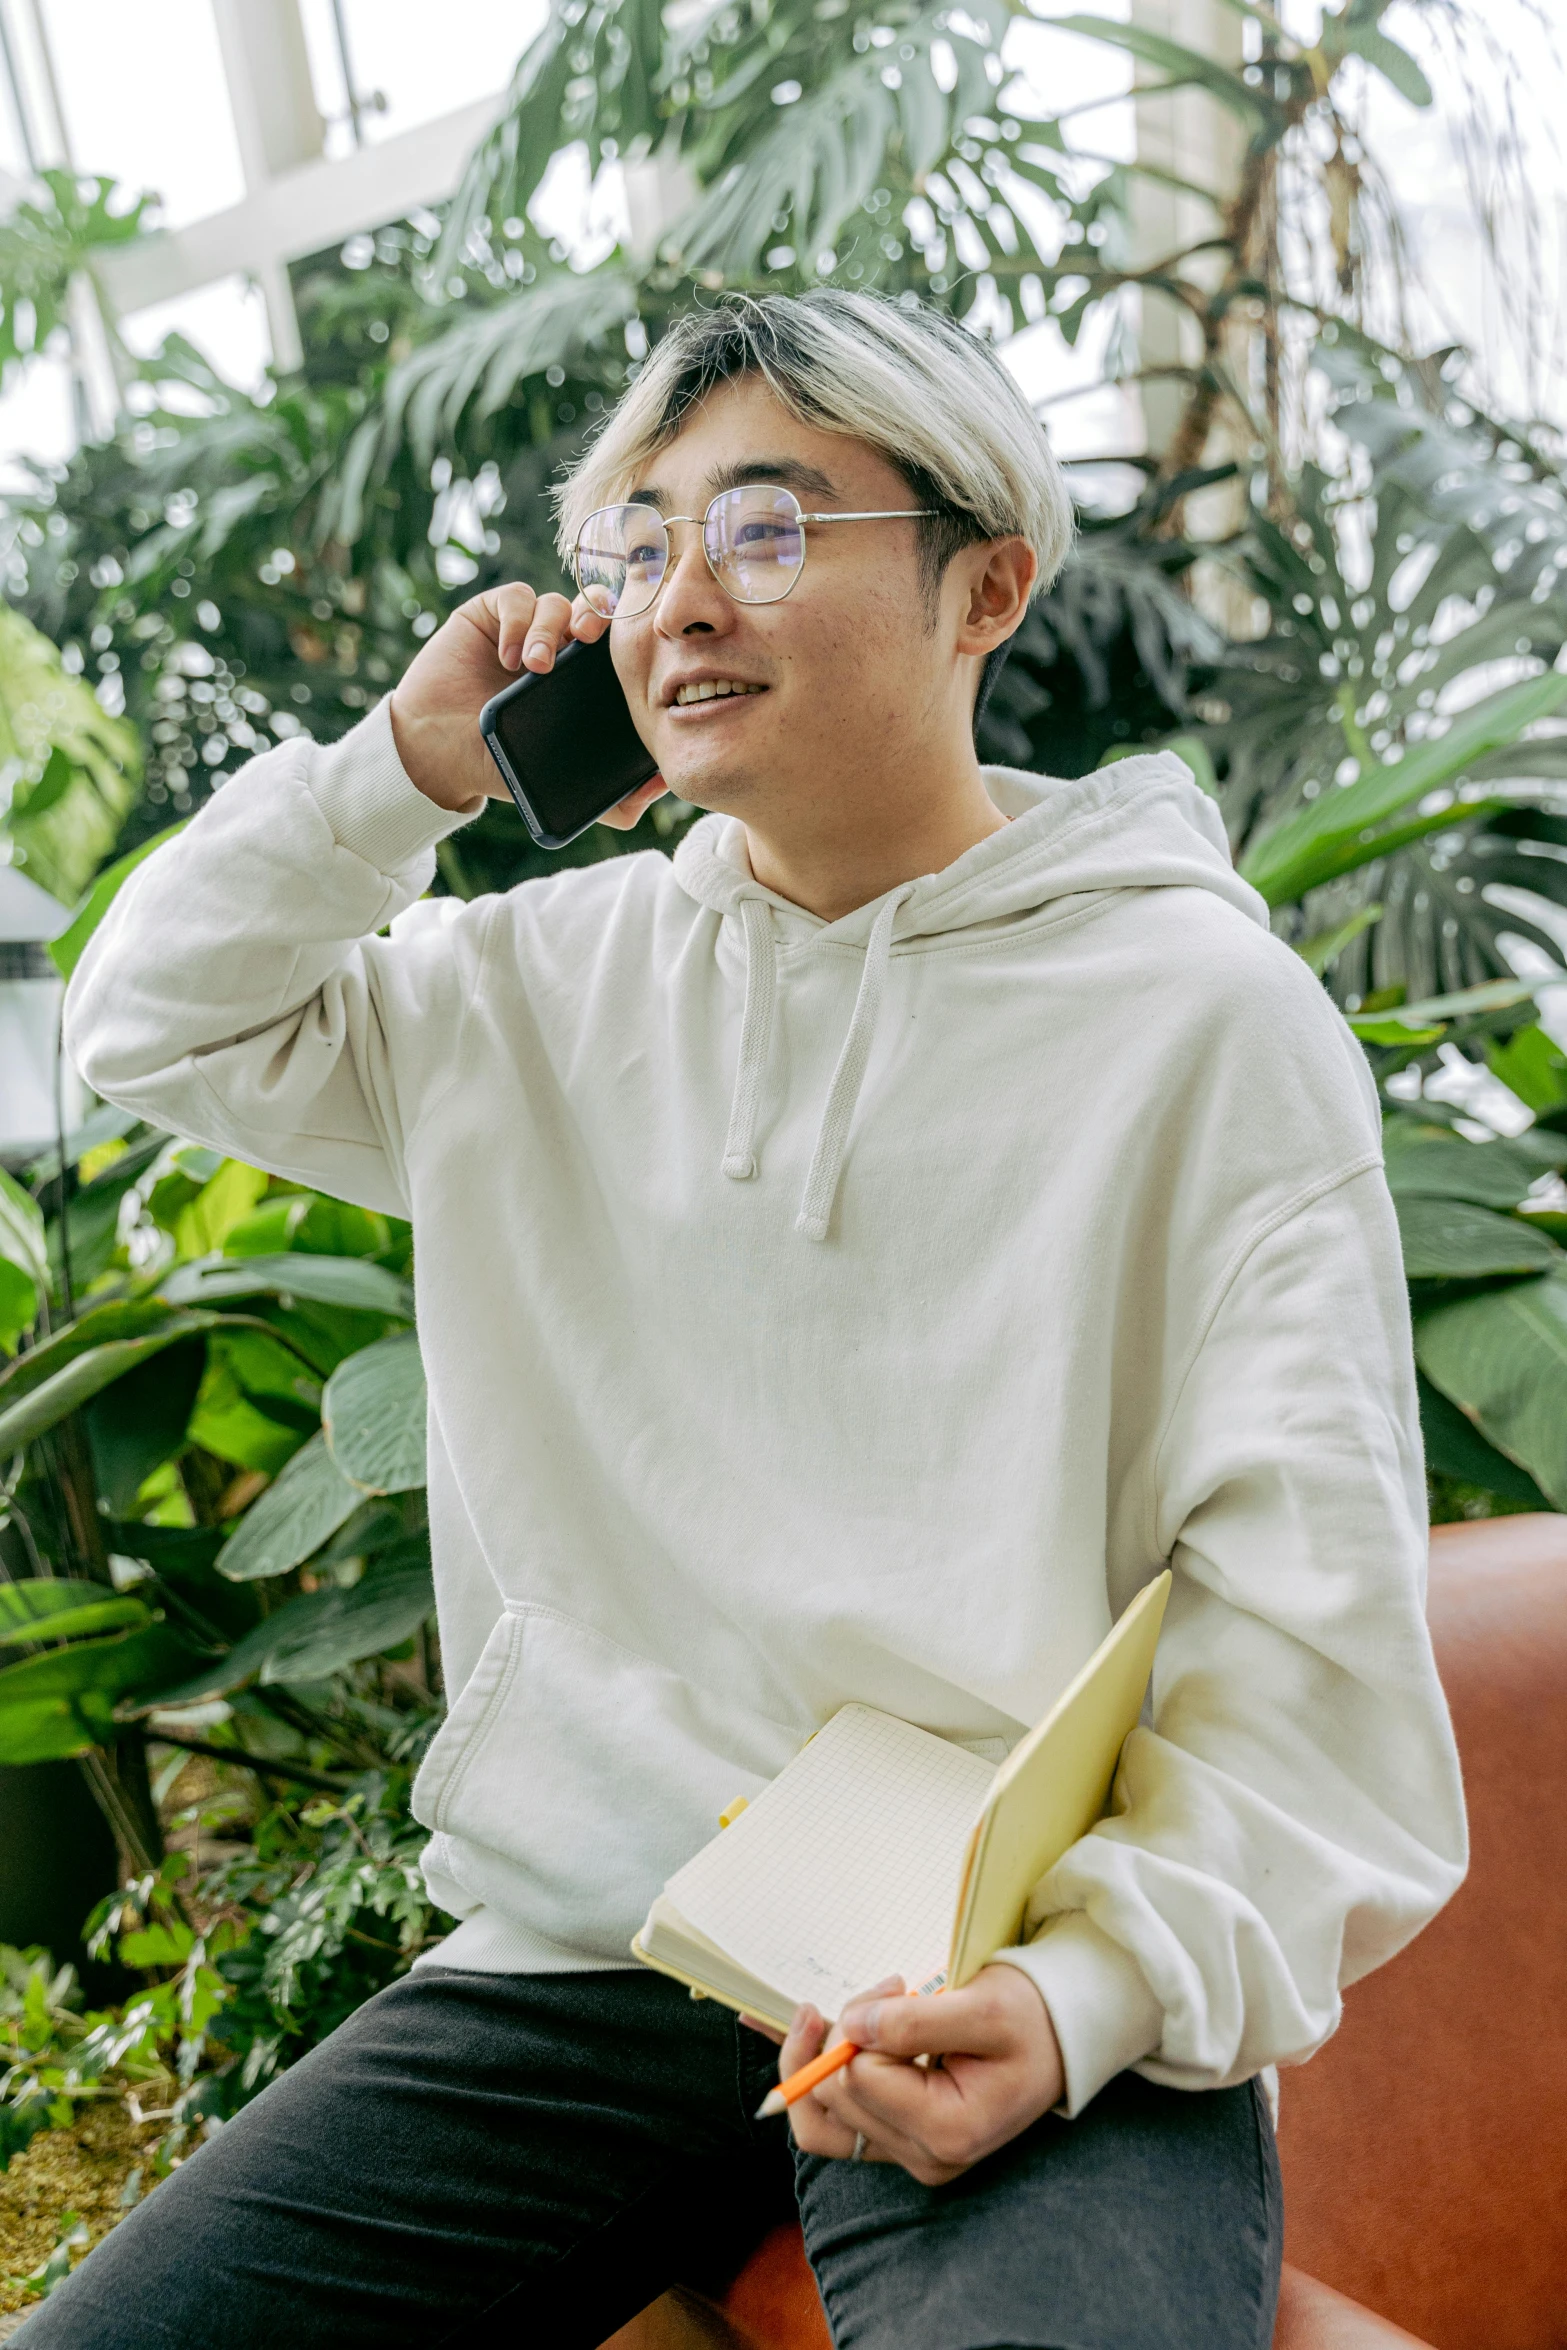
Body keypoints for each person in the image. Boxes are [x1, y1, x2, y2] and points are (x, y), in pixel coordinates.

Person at [37, 289, 1465, 2350]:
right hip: (598, 1949)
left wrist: (1075, 2000)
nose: (679, 599)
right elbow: (148, 1017)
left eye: (771, 530)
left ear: (989, 583)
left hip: (1006, 1947)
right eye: (639, 545)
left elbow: (1315, 1662)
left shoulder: (1207, 1030)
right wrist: (403, 773)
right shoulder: (529, 993)